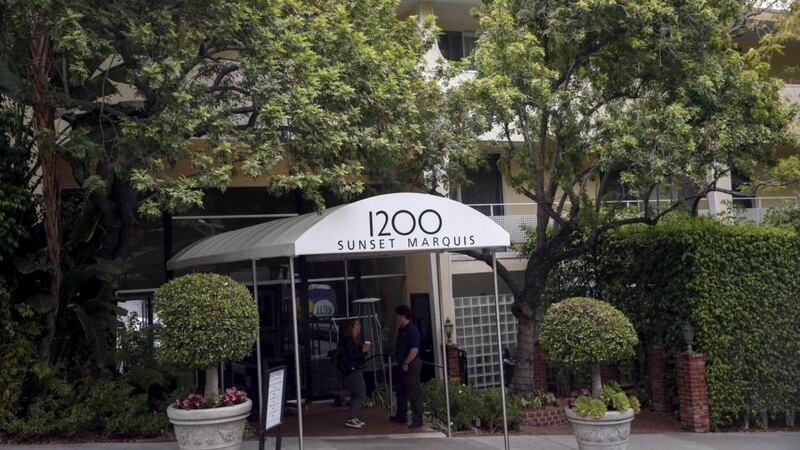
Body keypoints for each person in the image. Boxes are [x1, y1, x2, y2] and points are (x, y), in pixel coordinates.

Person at [390, 305, 424, 428]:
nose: (396, 318)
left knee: (413, 391)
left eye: (397, 316)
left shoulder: (412, 330)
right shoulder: (401, 330)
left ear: (403, 316)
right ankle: (401, 414)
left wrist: (406, 363)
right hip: (401, 363)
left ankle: (418, 419)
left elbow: (414, 349)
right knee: (401, 390)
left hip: (411, 364)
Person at [337, 319, 370, 429]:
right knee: (361, 393)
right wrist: (363, 351)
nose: (359, 326)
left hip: (354, 370)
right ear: (351, 327)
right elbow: (352, 356)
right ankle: (352, 418)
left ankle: (354, 417)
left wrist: (363, 352)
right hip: (352, 371)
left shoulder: (354, 339)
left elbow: (357, 356)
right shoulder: (349, 340)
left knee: (355, 394)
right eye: (357, 324)